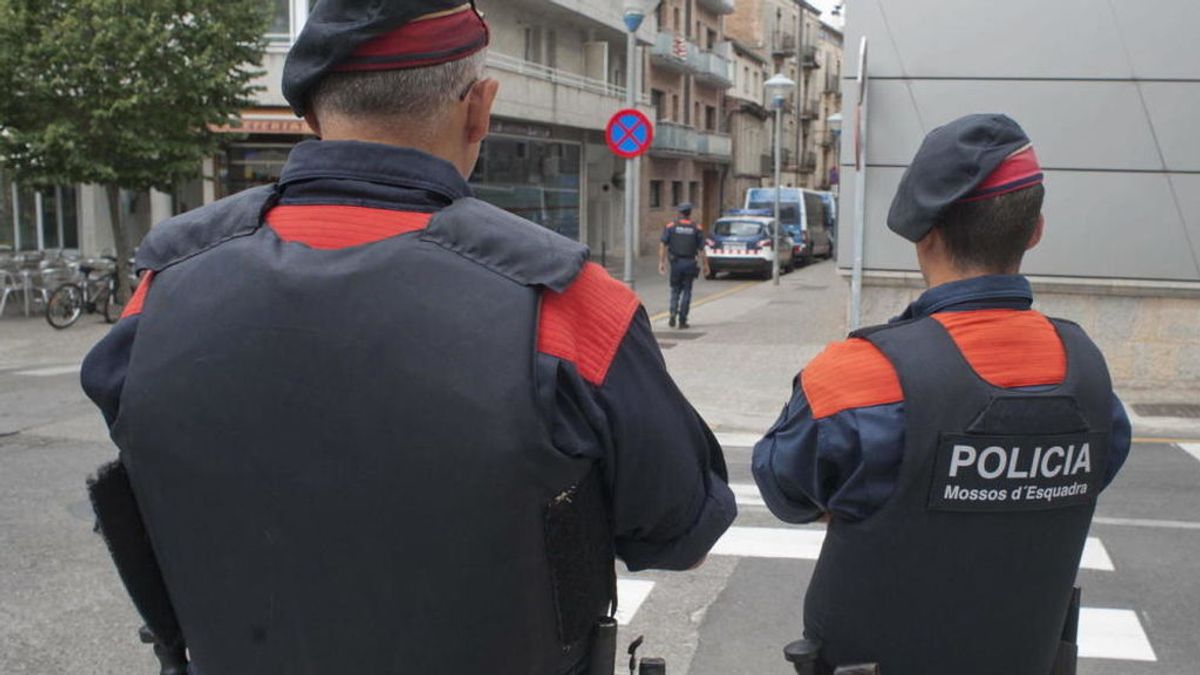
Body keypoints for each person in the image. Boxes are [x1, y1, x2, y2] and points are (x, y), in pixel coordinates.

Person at [80, 3, 736, 674]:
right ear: (479, 108)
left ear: (310, 115)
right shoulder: (568, 304)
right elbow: (682, 534)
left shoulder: (160, 289)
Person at [753, 114, 1132, 675]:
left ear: (926, 234)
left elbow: (786, 491)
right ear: (1035, 231)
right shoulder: (1085, 373)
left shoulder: (858, 376)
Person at [658, 203, 709, 328]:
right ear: (689, 213)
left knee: (675, 290)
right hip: (690, 263)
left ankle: (673, 312)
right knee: (687, 291)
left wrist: (662, 262)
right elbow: (702, 249)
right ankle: (682, 320)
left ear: (680, 213)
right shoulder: (696, 228)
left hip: (675, 263)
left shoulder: (671, 227)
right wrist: (706, 265)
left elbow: (663, 245)